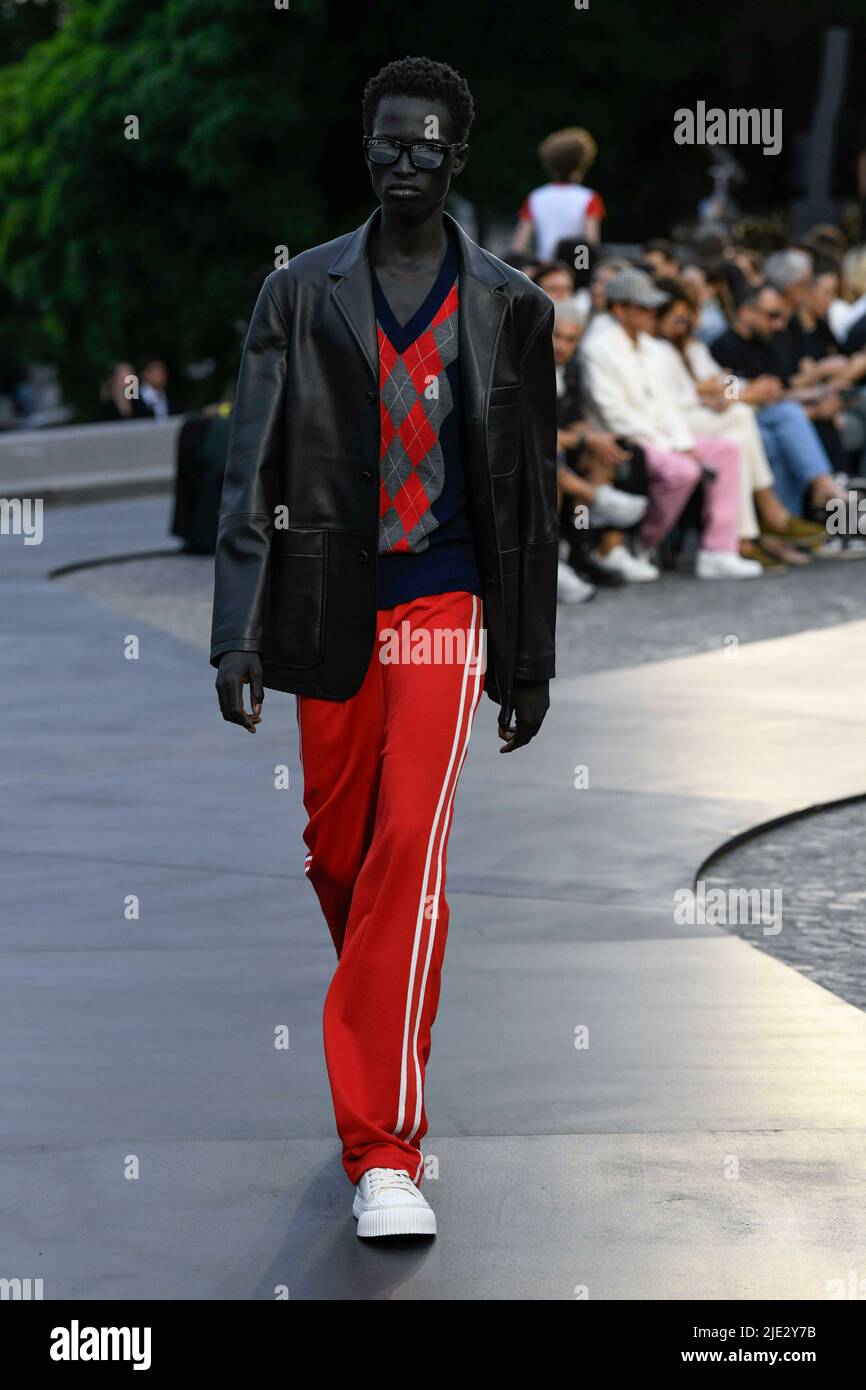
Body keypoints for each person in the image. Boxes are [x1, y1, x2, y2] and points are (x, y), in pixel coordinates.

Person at [210, 55, 558, 1241]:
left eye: (427, 143)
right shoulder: (300, 294)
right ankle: (387, 1020)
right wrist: (234, 634)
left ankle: (383, 1148)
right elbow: (250, 464)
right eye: (386, 142)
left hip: (445, 603)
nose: (404, 159)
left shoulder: (512, 305)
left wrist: (529, 659)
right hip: (321, 605)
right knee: (342, 857)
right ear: (366, 151)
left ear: (458, 154)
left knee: (408, 846)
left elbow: (528, 497)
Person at [580, 266, 761, 580]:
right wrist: (672, 447)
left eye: (653, 306)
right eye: (644, 306)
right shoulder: (597, 347)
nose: (653, 312)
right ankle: (640, 542)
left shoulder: (654, 348)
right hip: (628, 438)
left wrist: (684, 444)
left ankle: (719, 550)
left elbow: (668, 406)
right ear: (620, 309)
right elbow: (611, 411)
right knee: (683, 470)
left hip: (661, 439)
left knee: (727, 451)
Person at [653, 279, 821, 568]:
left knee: (743, 435)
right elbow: (668, 402)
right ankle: (768, 514)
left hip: (707, 416)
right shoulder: (657, 350)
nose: (685, 324)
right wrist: (727, 394)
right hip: (673, 425)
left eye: (689, 316)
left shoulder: (692, 348)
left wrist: (748, 388)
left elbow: (722, 378)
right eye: (679, 318)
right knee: (742, 420)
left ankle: (745, 537)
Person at [712, 284, 849, 519]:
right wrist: (753, 392)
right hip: (742, 417)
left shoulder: (768, 342)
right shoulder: (724, 346)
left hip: (774, 416)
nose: (778, 324)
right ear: (746, 312)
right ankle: (827, 488)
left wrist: (823, 393)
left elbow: (784, 389)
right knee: (788, 419)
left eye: (781, 316)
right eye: (771, 316)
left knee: (782, 433)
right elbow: (724, 392)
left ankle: (794, 521)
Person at [551, 300, 649, 594]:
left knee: (608, 448)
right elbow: (529, 431)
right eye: (556, 336)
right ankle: (594, 499)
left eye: (571, 339)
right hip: (529, 451)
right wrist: (582, 438)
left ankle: (584, 551)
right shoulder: (526, 366)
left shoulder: (573, 368)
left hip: (562, 447)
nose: (562, 345)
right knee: (549, 455)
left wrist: (591, 437)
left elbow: (577, 419)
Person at [511, 127, 606, 260]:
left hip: (545, 269)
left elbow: (518, 246)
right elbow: (591, 243)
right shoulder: (589, 197)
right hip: (575, 268)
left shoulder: (536, 197)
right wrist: (582, 271)